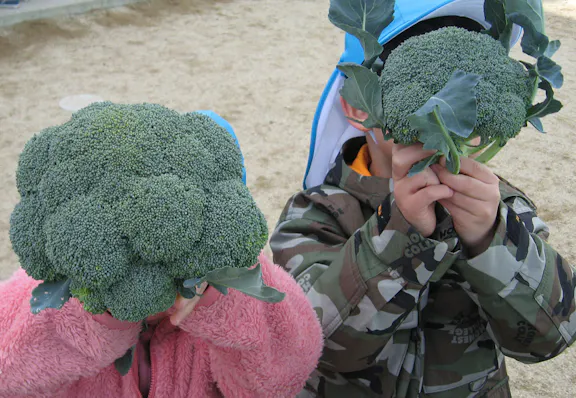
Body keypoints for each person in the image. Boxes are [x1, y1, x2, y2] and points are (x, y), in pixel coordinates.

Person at [270, 2, 576, 397]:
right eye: (403, 76)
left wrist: (490, 238)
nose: (443, 105)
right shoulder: (316, 213)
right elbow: (313, 348)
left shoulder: (500, 209)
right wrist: (399, 233)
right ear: (354, 103)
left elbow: (548, 338)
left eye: (466, 84)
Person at [0, 110, 323, 398]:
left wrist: (222, 300)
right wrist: (95, 319)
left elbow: (283, 378)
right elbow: (9, 376)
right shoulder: (47, 287)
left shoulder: (243, 281)